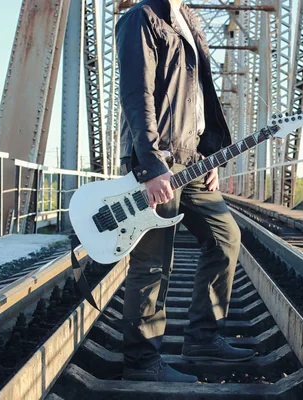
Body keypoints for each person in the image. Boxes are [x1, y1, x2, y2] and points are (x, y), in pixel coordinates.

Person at [115, 0, 255, 383]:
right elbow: (136, 93)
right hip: (159, 161)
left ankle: (203, 338)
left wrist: (209, 155)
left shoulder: (188, 21)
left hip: (192, 160)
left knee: (226, 236)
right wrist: (149, 164)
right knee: (154, 260)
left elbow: (198, 97)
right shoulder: (141, 19)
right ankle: (142, 361)